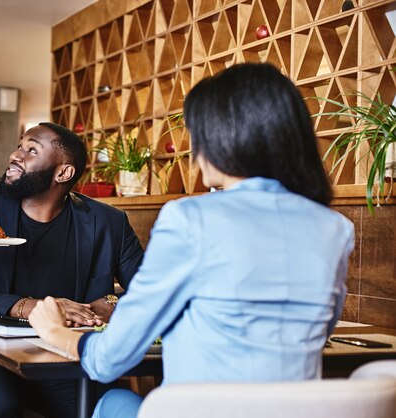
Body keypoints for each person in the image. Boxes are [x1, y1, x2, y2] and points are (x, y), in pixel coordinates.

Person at [29, 63, 356, 418]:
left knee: (110, 403)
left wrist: (54, 331)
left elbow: (109, 359)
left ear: (225, 137)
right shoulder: (334, 228)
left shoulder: (190, 218)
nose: (196, 153)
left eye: (197, 135)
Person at [0, 122, 145, 418]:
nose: (16, 155)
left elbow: (149, 294)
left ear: (63, 172)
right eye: (20, 145)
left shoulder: (109, 223)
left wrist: (110, 304)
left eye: (32, 150)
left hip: (66, 356)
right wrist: (25, 307)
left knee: (119, 407)